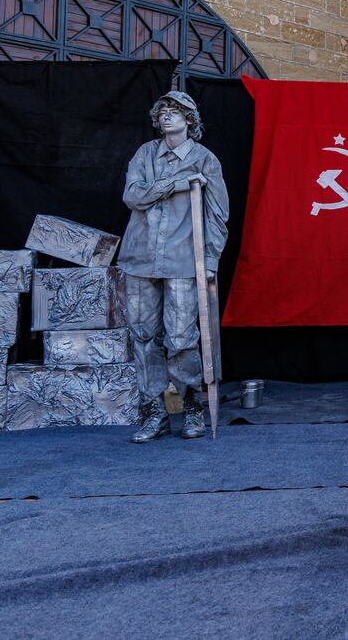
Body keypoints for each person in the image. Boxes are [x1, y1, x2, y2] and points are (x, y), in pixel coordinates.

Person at [119, 91, 228, 443]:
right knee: (144, 337)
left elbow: (217, 215)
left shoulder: (204, 159)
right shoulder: (145, 154)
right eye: (163, 111)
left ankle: (192, 405)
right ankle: (154, 412)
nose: (167, 116)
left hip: (183, 260)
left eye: (175, 112)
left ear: (189, 119)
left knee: (181, 338)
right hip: (140, 259)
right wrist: (175, 185)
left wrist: (210, 259)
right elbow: (133, 196)